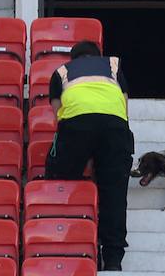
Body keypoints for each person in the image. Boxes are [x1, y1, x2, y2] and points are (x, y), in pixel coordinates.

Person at [45, 40, 134, 272]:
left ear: (73, 58)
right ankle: (113, 260)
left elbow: (59, 115)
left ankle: (64, 239)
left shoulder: (61, 71)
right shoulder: (114, 66)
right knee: (114, 194)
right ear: (98, 56)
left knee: (59, 177)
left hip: (77, 124)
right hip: (115, 127)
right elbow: (124, 107)